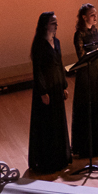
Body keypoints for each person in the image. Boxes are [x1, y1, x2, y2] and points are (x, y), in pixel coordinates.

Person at [28, 12, 70, 174]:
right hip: (46, 89)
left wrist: (64, 85)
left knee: (58, 122)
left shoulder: (56, 42)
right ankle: (47, 161)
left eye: (56, 22)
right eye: (53, 22)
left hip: (57, 86)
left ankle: (60, 157)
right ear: (45, 25)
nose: (56, 25)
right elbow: (37, 70)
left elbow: (60, 64)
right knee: (47, 124)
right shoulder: (39, 44)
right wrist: (43, 92)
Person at [70, 3, 98, 158]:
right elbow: (82, 57)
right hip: (86, 75)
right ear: (84, 17)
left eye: (95, 14)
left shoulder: (94, 31)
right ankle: (85, 146)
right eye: (92, 15)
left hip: (97, 73)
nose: (95, 17)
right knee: (87, 108)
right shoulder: (79, 34)